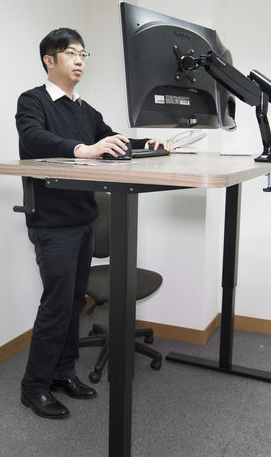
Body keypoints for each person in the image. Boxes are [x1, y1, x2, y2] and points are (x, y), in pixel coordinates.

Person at [16, 27, 170, 419]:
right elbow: (33, 138)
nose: (80, 60)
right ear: (49, 60)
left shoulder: (84, 109)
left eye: (84, 53)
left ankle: (63, 373)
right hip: (52, 223)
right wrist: (82, 150)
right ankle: (34, 385)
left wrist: (146, 144)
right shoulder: (32, 101)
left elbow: (110, 139)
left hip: (83, 218)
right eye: (71, 53)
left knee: (72, 302)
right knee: (55, 305)